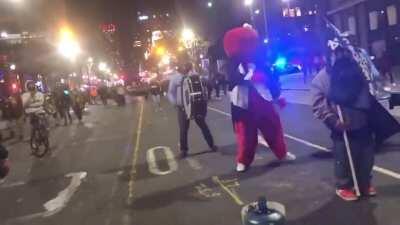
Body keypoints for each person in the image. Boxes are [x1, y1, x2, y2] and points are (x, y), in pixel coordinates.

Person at [223, 25, 296, 172]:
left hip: (263, 100)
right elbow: (231, 80)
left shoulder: (260, 62)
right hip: (243, 104)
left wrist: (277, 95)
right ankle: (243, 160)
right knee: (246, 135)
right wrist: (248, 76)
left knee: (273, 128)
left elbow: (270, 79)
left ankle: (281, 153)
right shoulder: (232, 65)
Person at [311, 46, 376, 201]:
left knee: (367, 156)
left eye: (344, 52)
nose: (341, 55)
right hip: (341, 125)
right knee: (344, 156)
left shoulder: (357, 71)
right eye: (337, 52)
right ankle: (344, 185)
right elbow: (318, 103)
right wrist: (333, 120)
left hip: (363, 122)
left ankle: (364, 182)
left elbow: (369, 92)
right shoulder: (322, 78)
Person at [168, 62, 217, 158]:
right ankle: (183, 150)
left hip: (195, 105)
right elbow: (171, 92)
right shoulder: (175, 78)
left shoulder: (195, 76)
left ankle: (211, 145)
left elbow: (208, 84)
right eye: (184, 66)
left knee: (203, 125)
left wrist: (207, 95)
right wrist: (175, 103)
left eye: (188, 67)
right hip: (182, 108)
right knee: (183, 129)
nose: (186, 68)